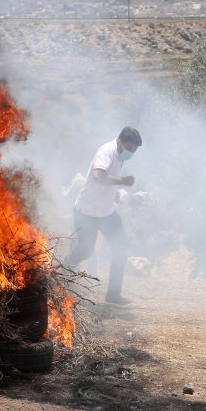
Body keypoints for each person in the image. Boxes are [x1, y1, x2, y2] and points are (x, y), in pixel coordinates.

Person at [65, 126, 142, 305]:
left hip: (107, 212)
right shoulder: (106, 151)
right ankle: (60, 273)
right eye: (130, 148)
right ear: (121, 141)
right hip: (87, 212)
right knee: (86, 250)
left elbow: (107, 181)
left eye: (135, 150)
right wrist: (122, 181)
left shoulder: (120, 154)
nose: (132, 153)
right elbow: (99, 175)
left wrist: (115, 192)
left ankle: (113, 294)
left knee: (121, 248)